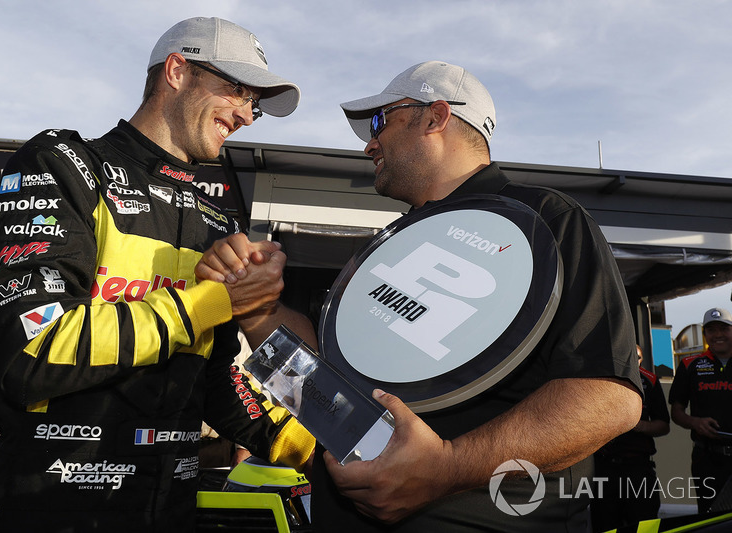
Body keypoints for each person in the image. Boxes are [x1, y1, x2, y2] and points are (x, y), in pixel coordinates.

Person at [197, 60, 643, 532]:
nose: (369, 143)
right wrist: (256, 308)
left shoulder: (547, 221)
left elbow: (608, 397)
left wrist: (447, 468)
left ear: (436, 117)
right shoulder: (397, 239)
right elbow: (329, 378)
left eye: (379, 121)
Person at [0, 17, 316, 533]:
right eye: (237, 89)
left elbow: (213, 377)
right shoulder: (66, 166)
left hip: (170, 510)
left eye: (255, 104)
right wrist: (214, 301)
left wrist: (315, 448)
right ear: (177, 71)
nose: (246, 114)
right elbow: (33, 349)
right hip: (49, 505)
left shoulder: (217, 221)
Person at [591, 345, 670, 532]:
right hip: (604, 468)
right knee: (604, 525)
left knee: (644, 526)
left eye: (639, 358)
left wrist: (638, 425)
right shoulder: (597, 379)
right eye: (629, 356)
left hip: (638, 468)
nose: (634, 361)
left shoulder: (650, 381)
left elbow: (664, 425)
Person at [669, 307, 732, 513]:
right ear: (705, 334)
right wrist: (695, 423)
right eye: (711, 330)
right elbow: (676, 411)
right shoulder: (690, 365)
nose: (718, 335)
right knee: (709, 518)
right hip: (708, 459)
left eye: (724, 328)